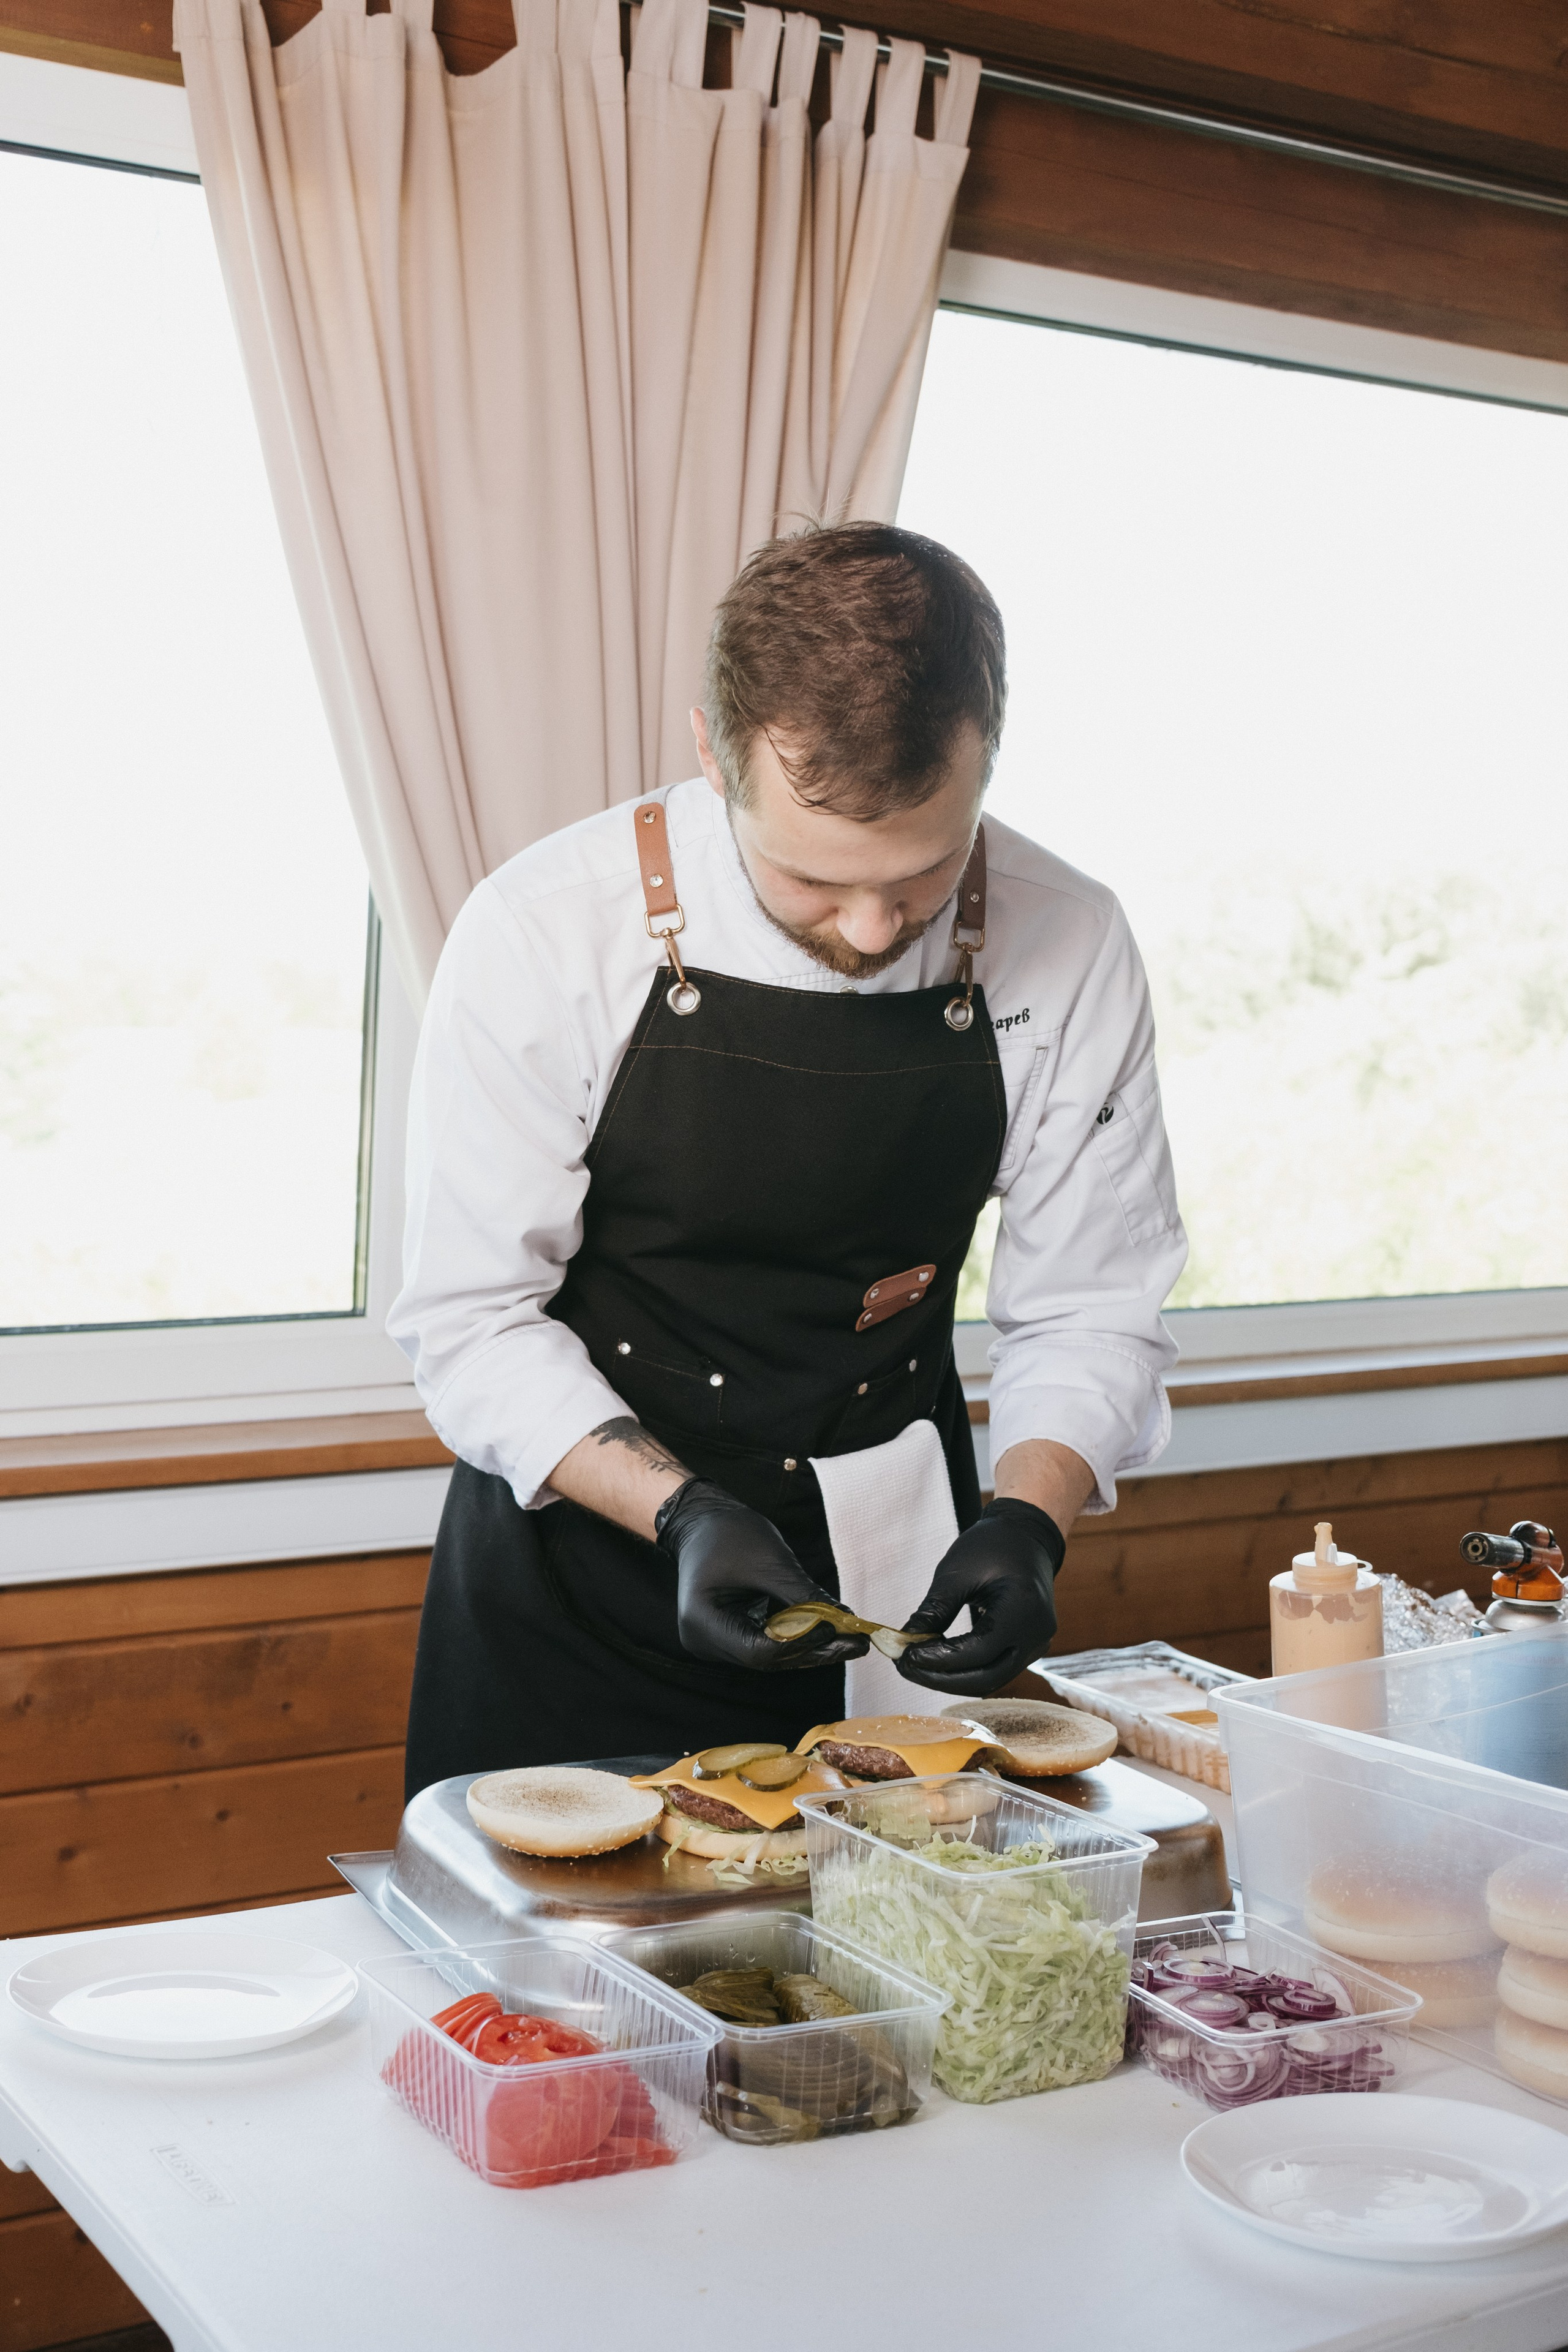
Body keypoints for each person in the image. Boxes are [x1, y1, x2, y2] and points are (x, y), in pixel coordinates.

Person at [390, 522, 1186, 1795]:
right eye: (812, 880)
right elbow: (472, 1317)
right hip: (578, 1574)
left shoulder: (1070, 937)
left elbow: (1091, 1304)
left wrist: (1028, 1519)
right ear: (712, 755)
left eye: (926, 870)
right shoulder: (544, 932)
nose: (872, 927)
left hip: (892, 1571)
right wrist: (685, 1511)